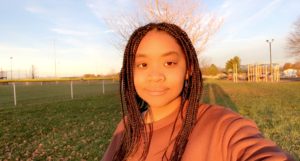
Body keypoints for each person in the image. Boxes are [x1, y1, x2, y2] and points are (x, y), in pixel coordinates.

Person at [101, 22, 294, 161]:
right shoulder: (126, 126)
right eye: (142, 64)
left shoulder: (221, 125)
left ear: (189, 69)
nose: (155, 76)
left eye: (169, 63)